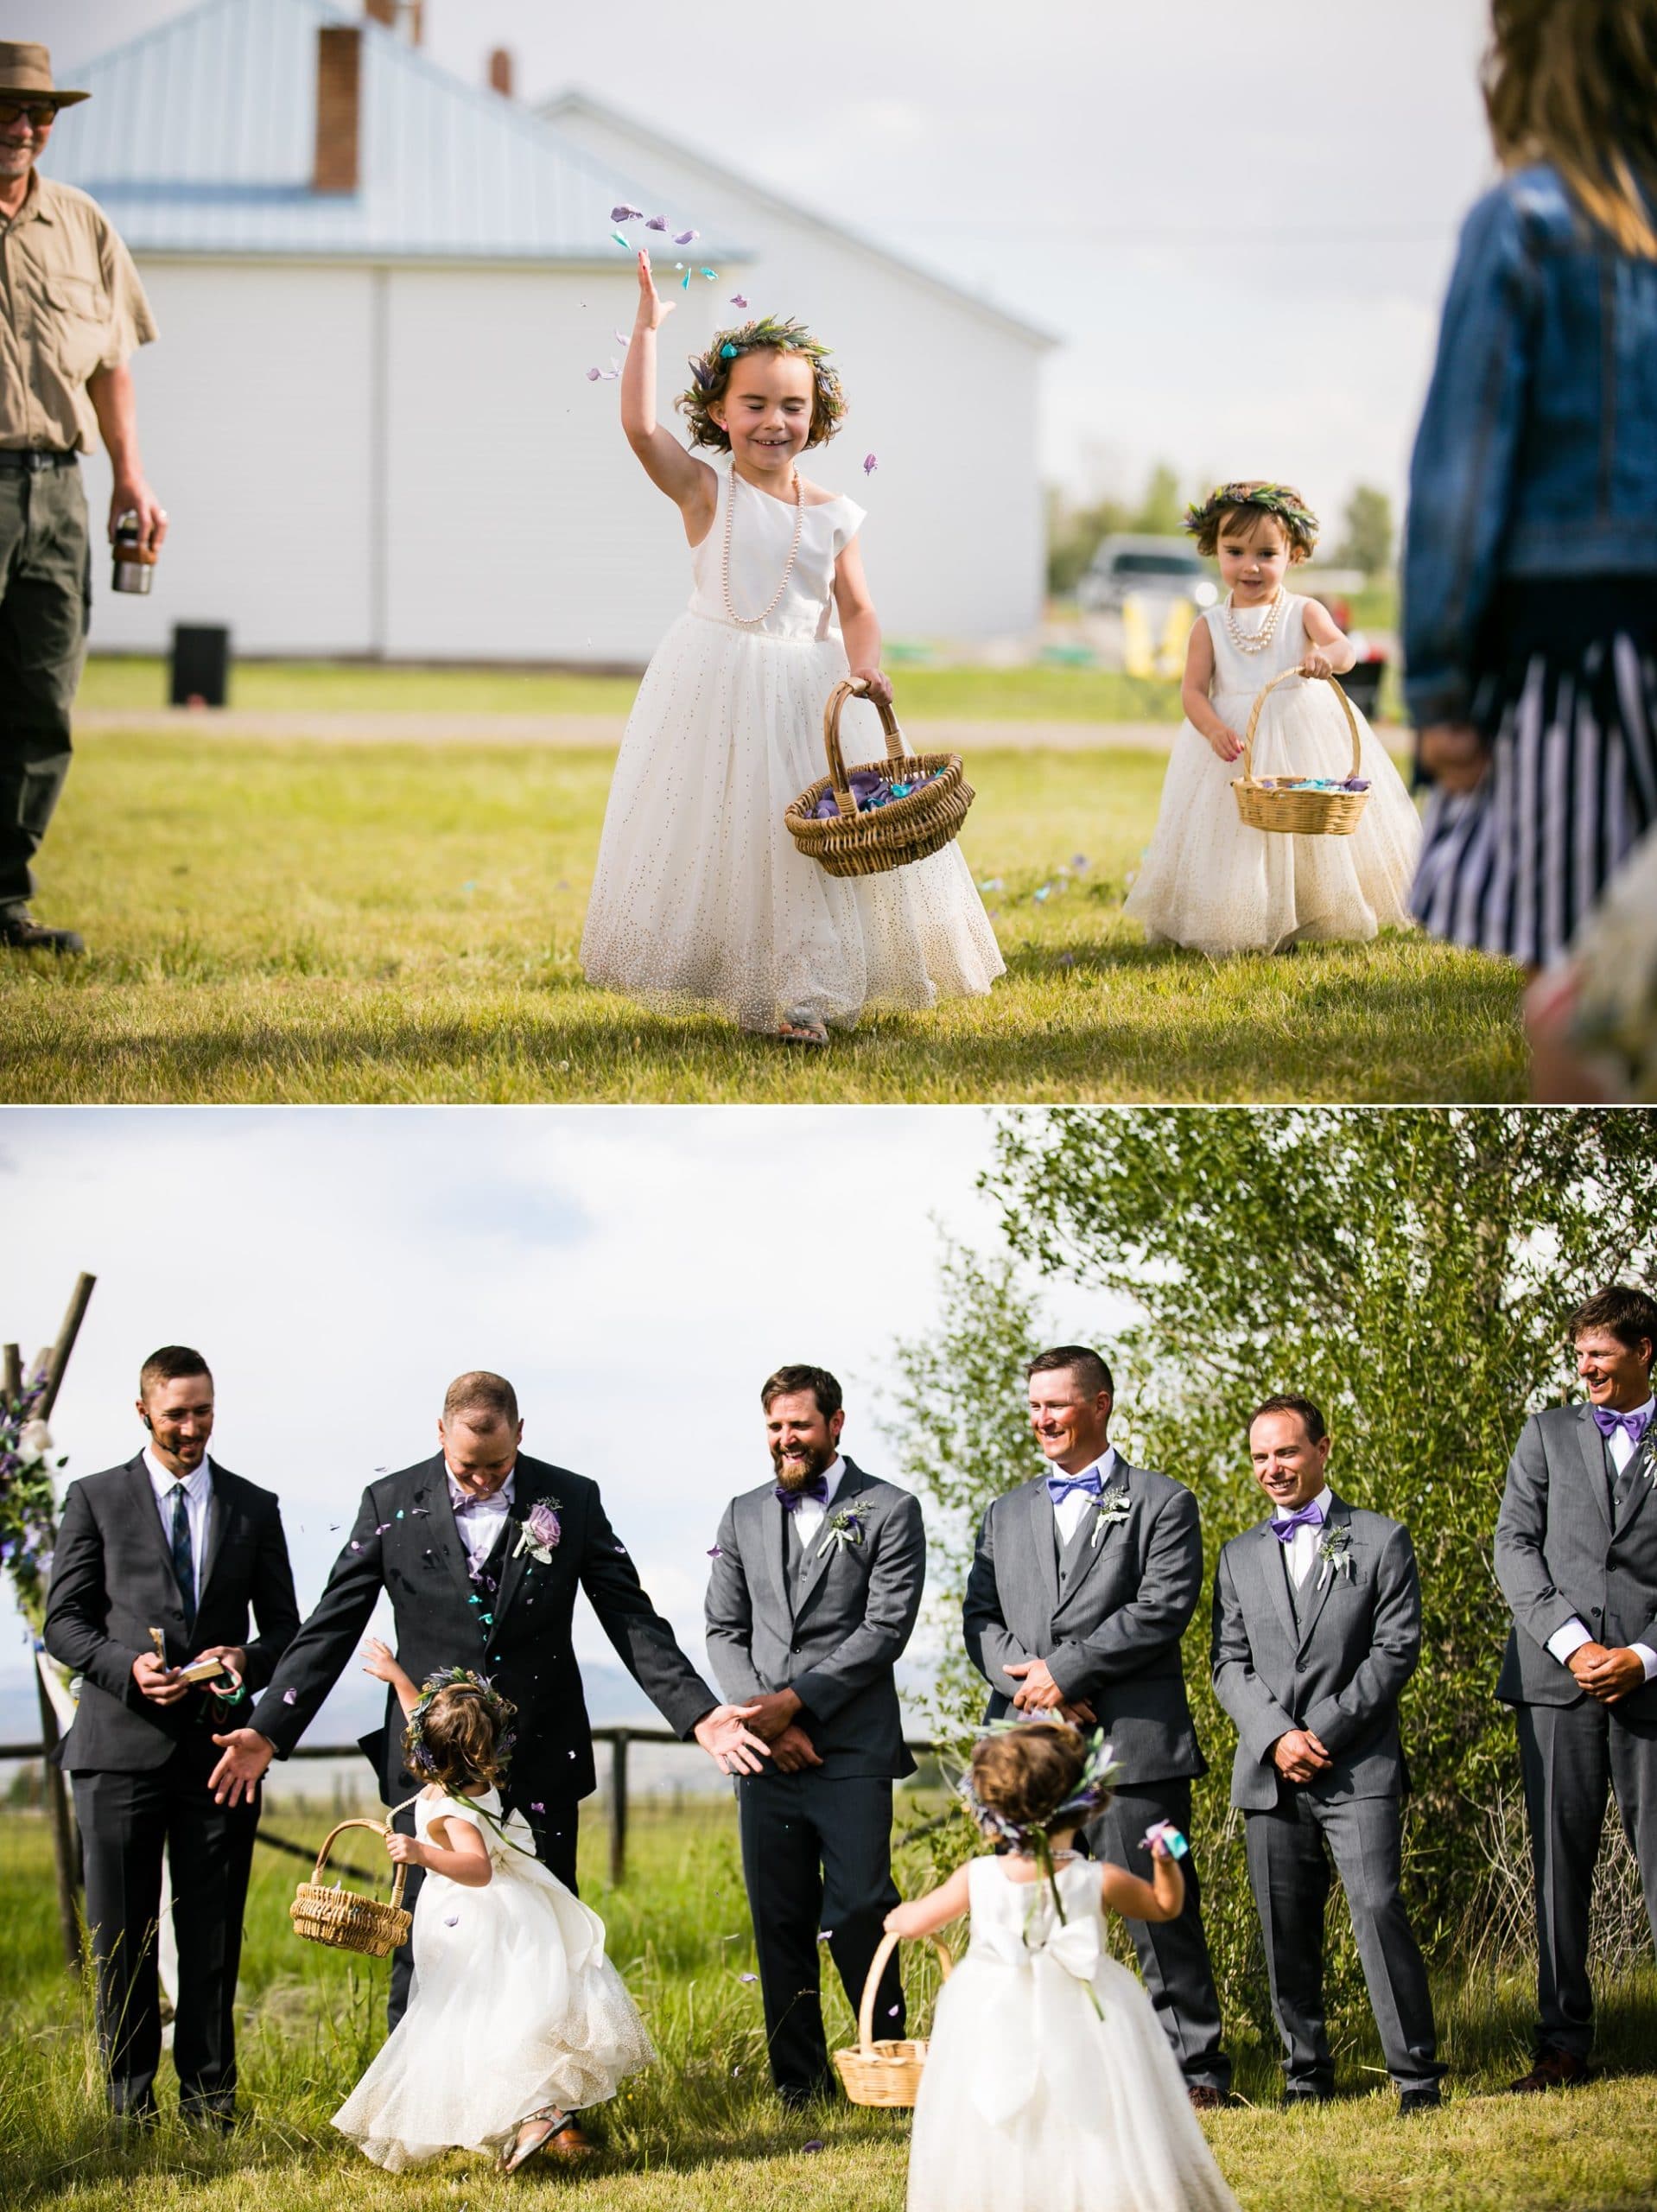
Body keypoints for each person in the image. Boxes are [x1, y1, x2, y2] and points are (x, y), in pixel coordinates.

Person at [206, 1367, 768, 2146]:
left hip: (538, 1755)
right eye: (467, 1465)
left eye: (496, 1467)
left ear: (520, 1435)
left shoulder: (569, 1499)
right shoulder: (390, 1502)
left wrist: (699, 1715)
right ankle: (427, 2117)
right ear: (440, 1436)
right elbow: (333, 1624)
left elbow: (629, 1617)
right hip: (432, 1770)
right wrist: (268, 1730)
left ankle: (550, 2109)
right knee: (430, 1938)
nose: (479, 1479)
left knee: (545, 1936)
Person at [579, 251, 1002, 1046]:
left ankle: (806, 995)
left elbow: (858, 606)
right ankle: (748, 977)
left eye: (793, 406)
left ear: (818, 415)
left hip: (810, 687)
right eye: (756, 404)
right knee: (731, 833)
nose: (775, 421)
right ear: (720, 414)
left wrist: (866, 665)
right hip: (715, 679)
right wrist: (645, 328)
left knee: (809, 843)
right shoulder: (707, 492)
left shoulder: (836, 512)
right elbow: (639, 428)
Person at [1404, 0, 1657, 973]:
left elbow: (1457, 488)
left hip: (1581, 659)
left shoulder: (1524, 222)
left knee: (1577, 985)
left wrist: (1441, 691)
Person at [962, 1345, 1231, 2107]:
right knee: (1029, 1909)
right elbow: (979, 1620)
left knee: (1157, 1906)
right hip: (1025, 1748)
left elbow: (1163, 1607)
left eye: (1057, 1404)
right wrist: (1034, 1684)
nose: (1042, 1419)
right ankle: (1043, 2073)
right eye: (1035, 1405)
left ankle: (1195, 2072)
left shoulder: (1163, 1501)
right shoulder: (1003, 1511)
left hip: (1134, 1744)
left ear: (1101, 1404)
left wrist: (1068, 1673)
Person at [41, 1344, 299, 2126]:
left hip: (219, 1755)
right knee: (122, 1935)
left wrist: (242, 1656)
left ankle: (211, 2101)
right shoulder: (94, 1498)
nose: (192, 1426)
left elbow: (288, 1630)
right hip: (116, 1751)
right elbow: (63, 1623)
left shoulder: (256, 1507)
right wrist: (124, 1667)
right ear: (144, 1411)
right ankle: (127, 2107)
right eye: (178, 1412)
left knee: (213, 1932)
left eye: (204, 1410)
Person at [890, 1721, 1239, 2212]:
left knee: (996, 2118)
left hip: (992, 2012)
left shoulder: (977, 1876)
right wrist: (1165, 1862)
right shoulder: (1100, 1877)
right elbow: (1164, 1907)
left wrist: (898, 1916)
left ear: (992, 1810)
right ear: (1083, 1801)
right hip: (1088, 2013)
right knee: (1092, 2110)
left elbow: (916, 1923)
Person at [1209, 1395, 1444, 2113]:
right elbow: (1227, 1663)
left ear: (1323, 1449)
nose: (1271, 1468)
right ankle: (1305, 2076)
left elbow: (1395, 1649)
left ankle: (1416, 2080)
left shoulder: (1380, 1538)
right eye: (1259, 1456)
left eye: (1285, 1452)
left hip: (1358, 1765)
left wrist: (1325, 1732)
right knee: (1285, 1931)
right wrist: (1277, 1736)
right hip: (1270, 1770)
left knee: (1377, 1908)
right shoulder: (1238, 1555)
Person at [333, 1655, 654, 2173]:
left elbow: (476, 1868)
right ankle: (533, 2116)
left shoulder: (453, 1809)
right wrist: (397, 1677)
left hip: (474, 1915)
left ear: (430, 1754)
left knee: (475, 2021)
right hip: (513, 1910)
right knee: (506, 2019)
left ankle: (533, 2112)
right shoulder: (475, 1782)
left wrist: (421, 1854)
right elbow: (426, 1719)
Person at [703, 1363, 925, 2107]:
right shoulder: (740, 1514)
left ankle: (886, 2062)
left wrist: (796, 1705)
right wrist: (761, 1716)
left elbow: (885, 1629)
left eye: (799, 1424)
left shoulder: (890, 1509)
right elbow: (724, 1629)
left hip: (851, 1748)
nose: (785, 1438)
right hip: (764, 1753)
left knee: (862, 1904)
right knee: (781, 1918)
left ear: (835, 1424)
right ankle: (800, 2085)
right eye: (774, 1426)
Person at [0, 41, 164, 956]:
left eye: (38, 114)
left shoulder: (81, 223)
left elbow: (113, 365)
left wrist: (129, 478)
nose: (22, 128)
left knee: (40, 702)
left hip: (59, 488)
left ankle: (3, 904)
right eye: (6, 110)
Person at [1123, 481, 1420, 957]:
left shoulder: (1304, 611)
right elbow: (1193, 692)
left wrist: (1327, 656)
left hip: (1301, 728)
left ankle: (1307, 911)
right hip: (1236, 741)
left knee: (1303, 829)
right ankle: (1238, 916)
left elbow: (1345, 649)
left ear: (1294, 553)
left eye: (1266, 553)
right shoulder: (1210, 626)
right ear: (1214, 550)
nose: (1250, 566)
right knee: (1235, 834)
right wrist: (1214, 728)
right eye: (1235, 551)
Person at [1494, 1284, 1657, 2091]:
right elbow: (1514, 1547)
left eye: (1601, 1352)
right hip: (1557, 1685)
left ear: (1644, 1351)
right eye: (1580, 1353)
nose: (1586, 1366)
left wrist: (1645, 1656)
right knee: (1558, 1868)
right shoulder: (1545, 1434)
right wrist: (1574, 1644)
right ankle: (1562, 2047)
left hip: (1653, 1688)